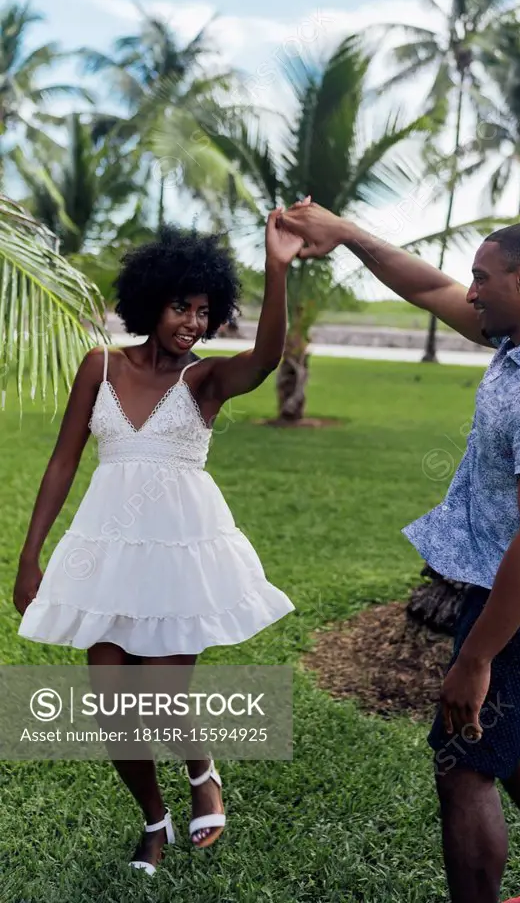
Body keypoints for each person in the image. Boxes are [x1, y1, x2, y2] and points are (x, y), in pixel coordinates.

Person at [279, 201, 520, 903]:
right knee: (504, 737)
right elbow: (428, 289)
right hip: (512, 592)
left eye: (481, 277)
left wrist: (476, 658)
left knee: (463, 766)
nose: (467, 291)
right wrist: (344, 233)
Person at [13, 210, 304, 876]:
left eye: (205, 311)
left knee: (165, 695)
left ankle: (203, 769)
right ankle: (154, 819)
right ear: (151, 301)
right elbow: (62, 464)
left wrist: (278, 268)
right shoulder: (101, 367)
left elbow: (265, 358)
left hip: (179, 549)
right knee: (113, 705)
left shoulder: (203, 381)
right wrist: (30, 558)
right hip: (107, 550)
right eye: (182, 307)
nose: (194, 323)